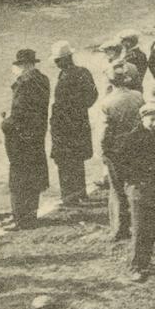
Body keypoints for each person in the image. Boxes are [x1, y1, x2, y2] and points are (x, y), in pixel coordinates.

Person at [121, 103, 155, 282]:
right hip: (139, 188)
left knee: (154, 224)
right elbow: (122, 165)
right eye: (151, 120)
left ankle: (146, 259)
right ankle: (135, 266)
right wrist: (136, 180)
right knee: (140, 227)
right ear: (143, 118)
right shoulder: (132, 138)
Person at [1, 48, 51, 230]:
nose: (16, 69)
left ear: (25, 66)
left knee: (19, 177)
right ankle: (31, 214)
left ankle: (21, 218)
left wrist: (5, 123)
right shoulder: (42, 79)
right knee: (33, 174)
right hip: (36, 135)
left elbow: (20, 113)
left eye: (18, 65)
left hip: (21, 138)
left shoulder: (25, 83)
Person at [98, 62, 145, 242]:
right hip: (135, 147)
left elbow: (104, 132)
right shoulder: (137, 96)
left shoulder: (107, 102)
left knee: (117, 190)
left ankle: (120, 229)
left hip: (116, 150)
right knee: (134, 186)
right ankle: (137, 224)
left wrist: (103, 151)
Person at [49, 41, 98, 206]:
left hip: (65, 124)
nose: (56, 63)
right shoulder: (83, 72)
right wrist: (80, 108)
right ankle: (80, 192)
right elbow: (92, 95)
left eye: (58, 60)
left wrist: (67, 112)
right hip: (79, 121)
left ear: (66, 59)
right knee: (77, 158)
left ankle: (69, 197)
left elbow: (63, 103)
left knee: (65, 160)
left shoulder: (65, 76)